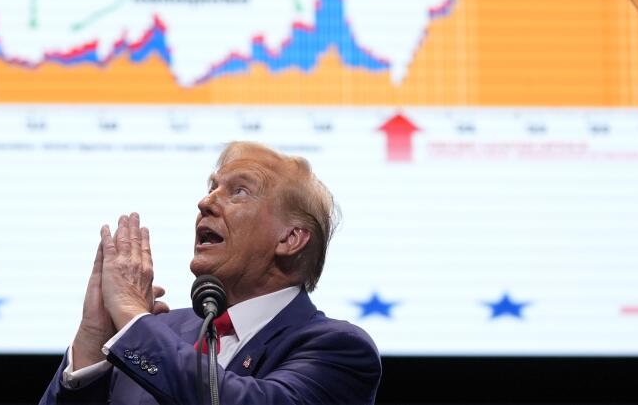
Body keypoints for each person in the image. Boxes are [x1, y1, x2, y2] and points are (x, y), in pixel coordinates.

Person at [37, 141, 381, 404]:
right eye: (211, 187)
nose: (206, 203)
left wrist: (129, 315)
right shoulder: (148, 333)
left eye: (239, 191)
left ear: (290, 239)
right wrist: (92, 343)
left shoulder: (337, 349)